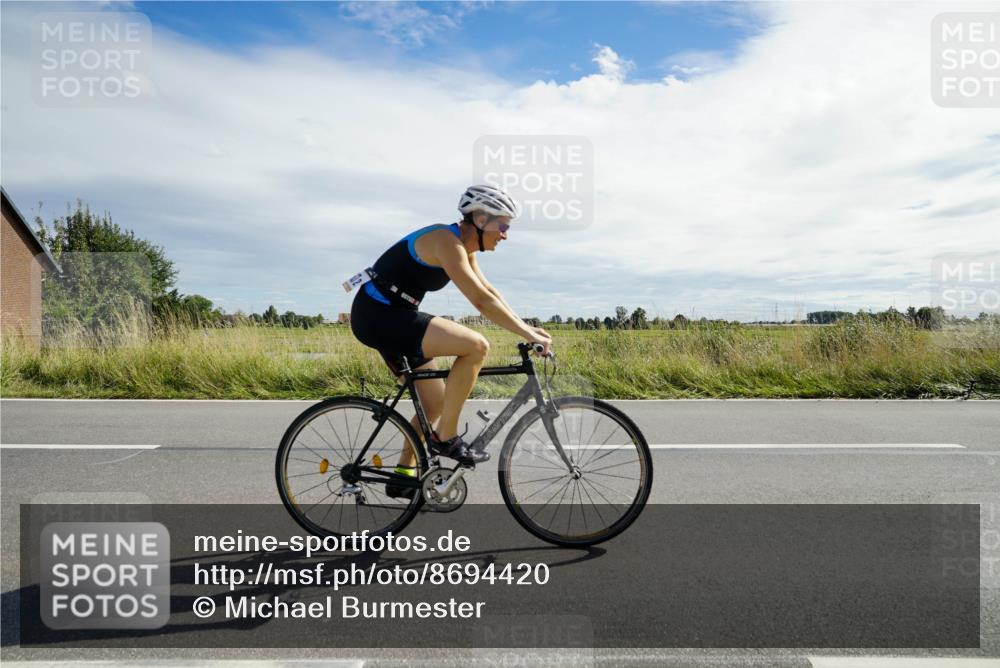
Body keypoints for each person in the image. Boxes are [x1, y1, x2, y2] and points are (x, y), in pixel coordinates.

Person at [350, 184, 552, 495]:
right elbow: (480, 303)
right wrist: (526, 334)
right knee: (475, 346)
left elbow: (490, 293)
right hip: (379, 315)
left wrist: (529, 329)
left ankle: (404, 474)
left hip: (394, 314)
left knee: (436, 402)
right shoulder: (447, 241)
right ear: (481, 220)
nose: (506, 234)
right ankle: (446, 437)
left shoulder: (466, 248)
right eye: (503, 225)